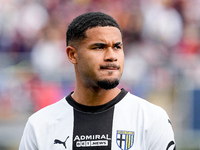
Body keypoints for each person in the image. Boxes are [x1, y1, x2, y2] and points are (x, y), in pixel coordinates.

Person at [19, 12, 176, 150]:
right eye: (99, 47)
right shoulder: (40, 125)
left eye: (117, 47)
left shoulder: (150, 119)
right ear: (72, 55)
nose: (111, 56)